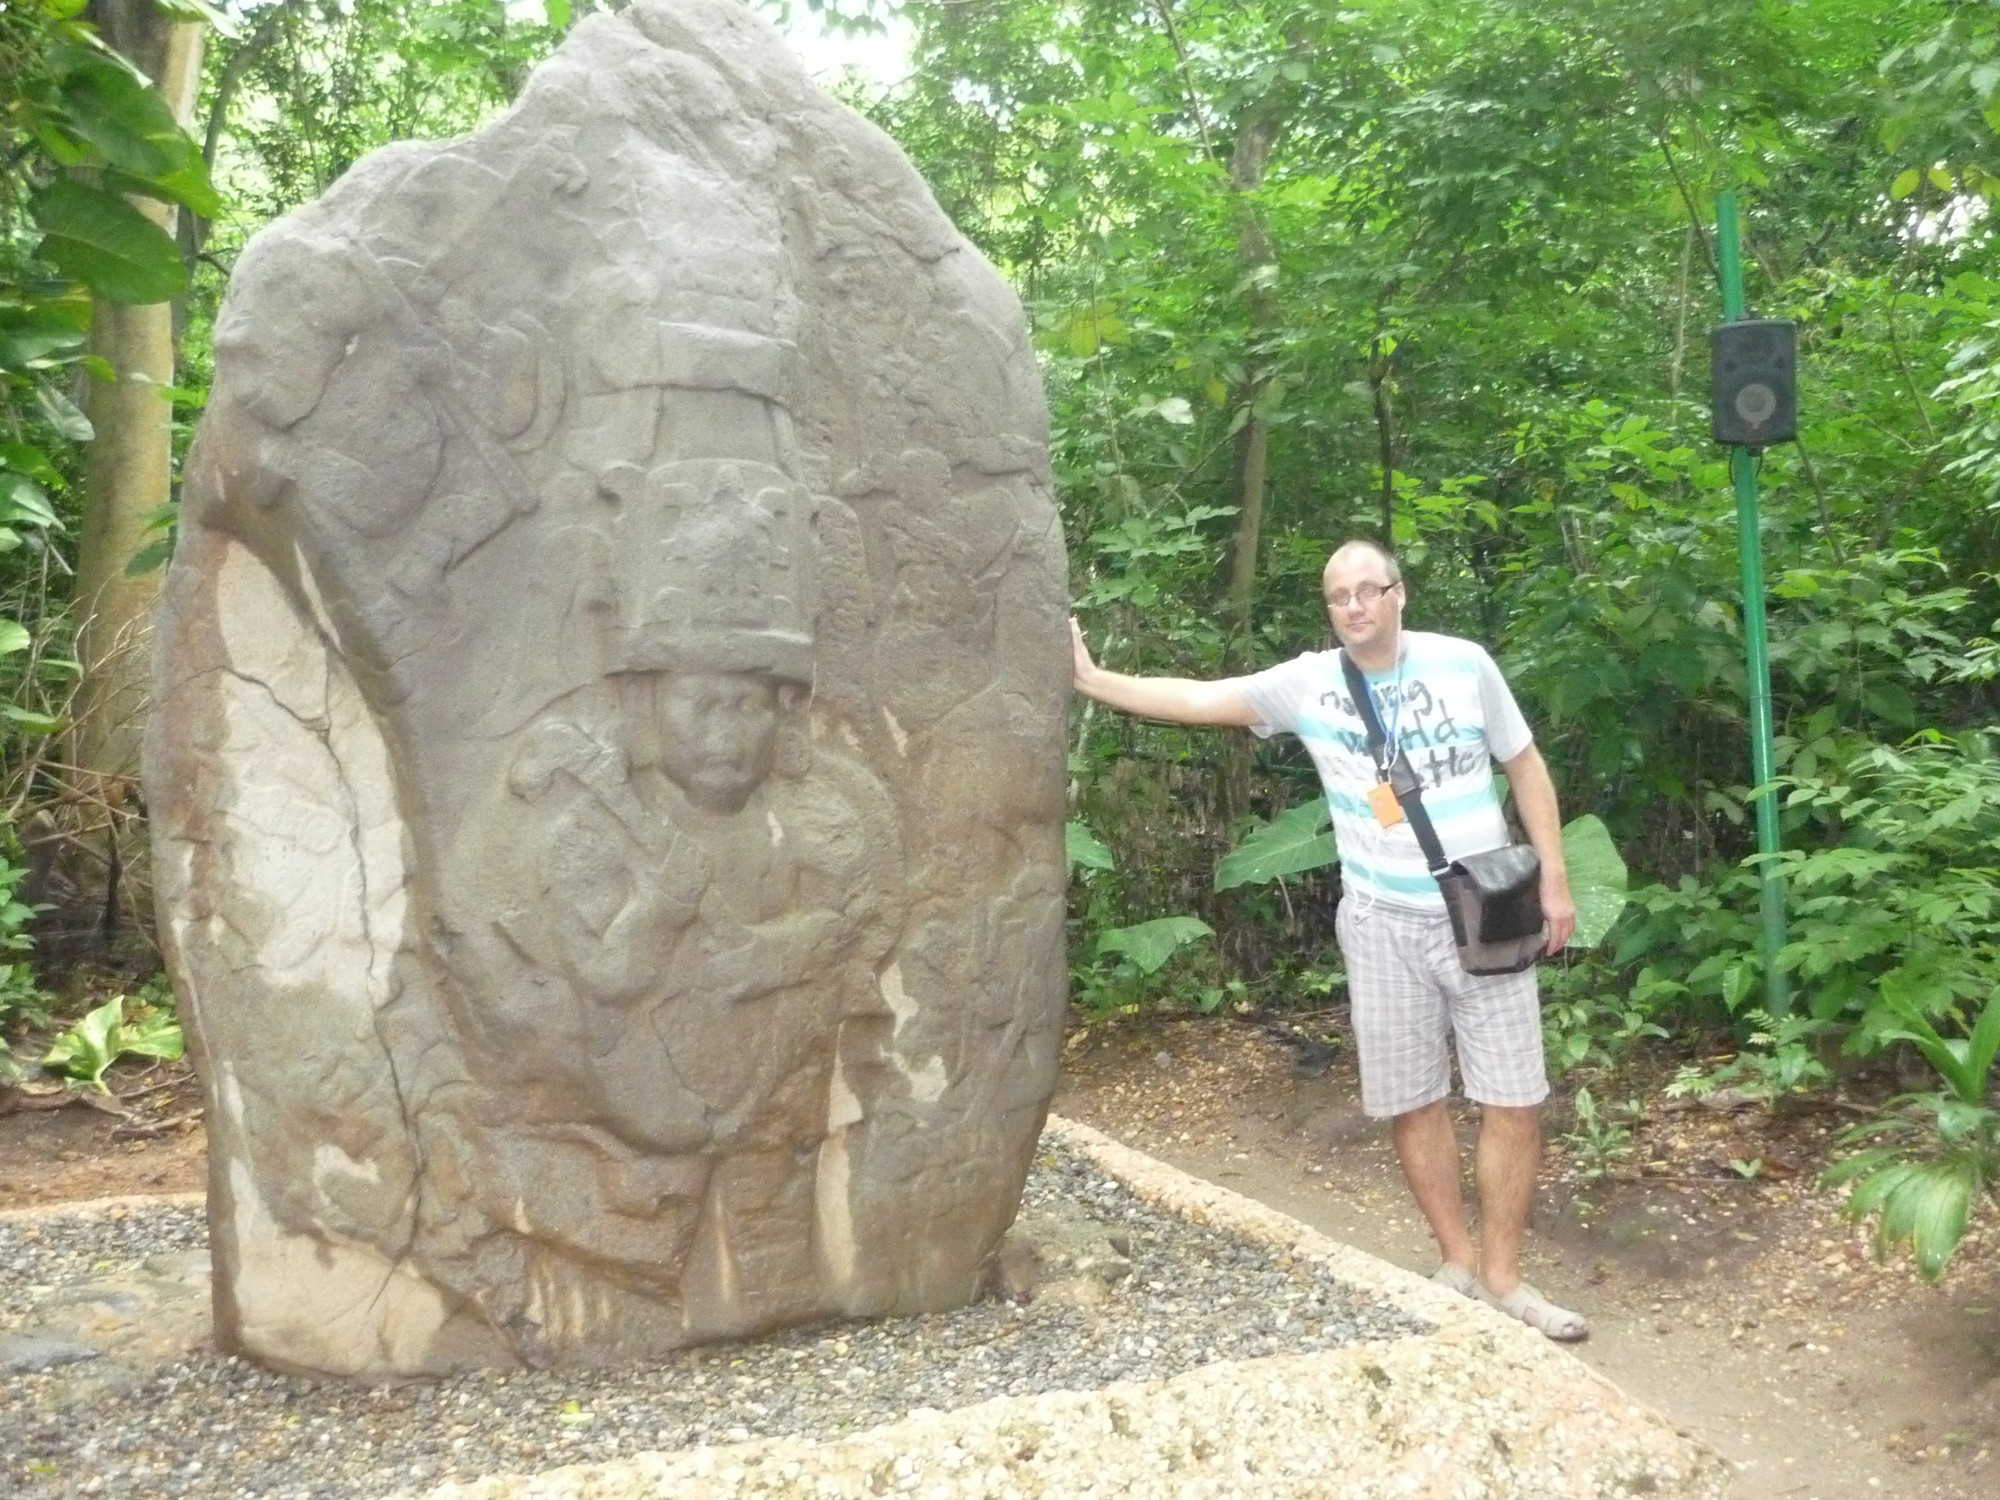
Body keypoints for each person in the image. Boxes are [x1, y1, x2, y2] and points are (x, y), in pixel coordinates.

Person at [1068, 537, 1588, 1341]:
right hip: (1380, 922)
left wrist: (1554, 875)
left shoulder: (1464, 664)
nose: (1354, 606)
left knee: (1513, 1100)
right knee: (1412, 1100)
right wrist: (1094, 680)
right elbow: (1202, 699)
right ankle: (1456, 1264)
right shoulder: (1309, 684)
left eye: (1368, 590)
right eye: (1339, 596)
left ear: (1399, 594)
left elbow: (1525, 765)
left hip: (1485, 911)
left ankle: (1505, 1279)